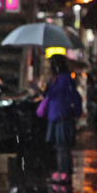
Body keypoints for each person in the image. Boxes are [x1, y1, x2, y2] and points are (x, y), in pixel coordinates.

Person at [41, 55, 84, 183]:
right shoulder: (61, 79)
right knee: (62, 146)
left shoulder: (60, 80)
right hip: (60, 115)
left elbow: (71, 97)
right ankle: (65, 171)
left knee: (62, 146)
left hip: (61, 116)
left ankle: (63, 172)